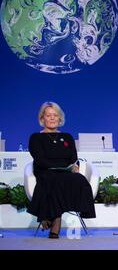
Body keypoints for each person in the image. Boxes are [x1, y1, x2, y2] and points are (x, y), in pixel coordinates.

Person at [27, 101, 96, 239]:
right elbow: (40, 160)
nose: (52, 118)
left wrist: (67, 166)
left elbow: (72, 157)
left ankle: (48, 216)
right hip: (45, 172)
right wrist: (60, 165)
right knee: (52, 179)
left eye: (55, 115)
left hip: (65, 172)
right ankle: (56, 220)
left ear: (60, 118)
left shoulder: (67, 137)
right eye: (48, 115)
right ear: (42, 118)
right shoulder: (36, 138)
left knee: (80, 179)